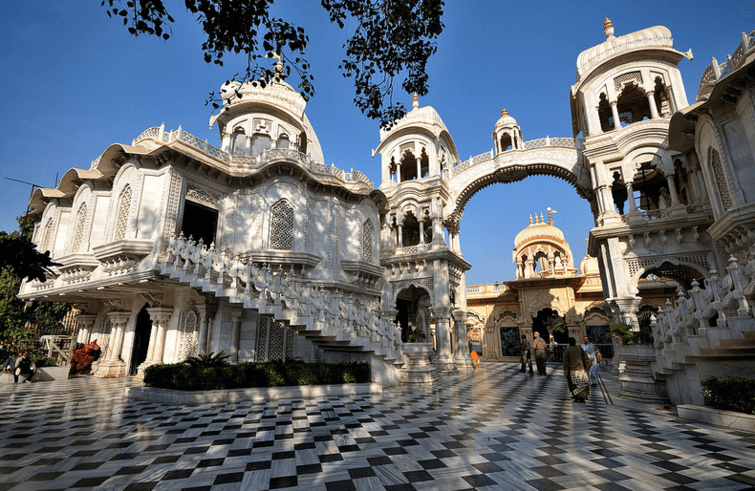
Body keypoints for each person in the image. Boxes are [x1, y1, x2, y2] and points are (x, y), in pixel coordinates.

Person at [563, 337, 590, 403]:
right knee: (582, 383)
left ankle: (577, 396)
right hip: (581, 369)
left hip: (573, 369)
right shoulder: (579, 348)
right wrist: (586, 367)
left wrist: (565, 369)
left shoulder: (568, 350)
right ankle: (583, 397)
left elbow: (565, 361)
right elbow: (585, 357)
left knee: (574, 384)